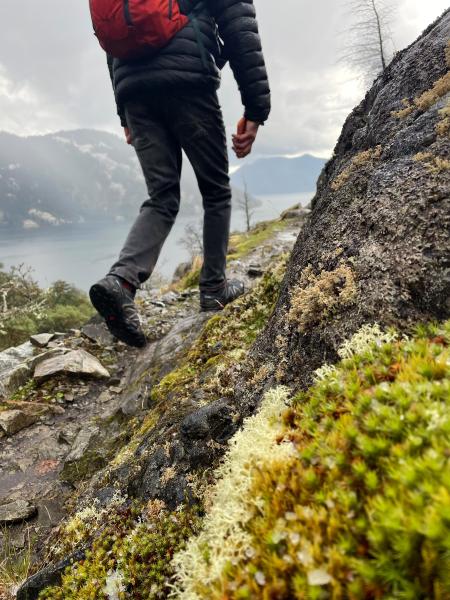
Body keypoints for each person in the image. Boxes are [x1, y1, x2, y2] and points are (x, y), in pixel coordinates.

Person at [89, 0, 271, 348]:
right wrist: (255, 107)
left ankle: (121, 282)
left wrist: (124, 113)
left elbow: (114, 41)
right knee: (216, 190)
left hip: (134, 92)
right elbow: (237, 21)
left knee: (162, 197)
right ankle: (214, 287)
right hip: (188, 81)